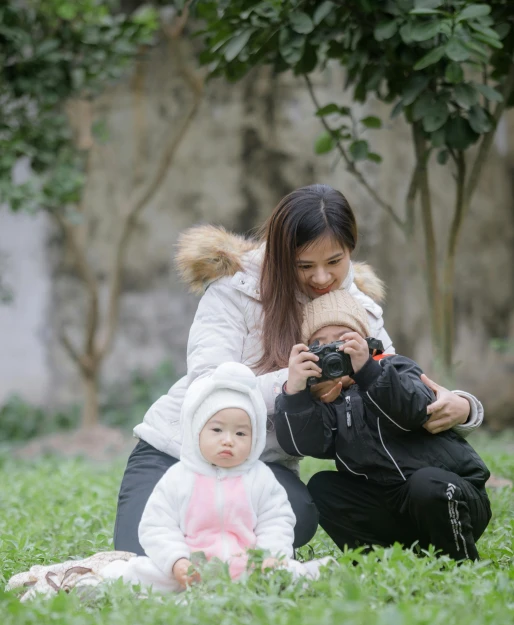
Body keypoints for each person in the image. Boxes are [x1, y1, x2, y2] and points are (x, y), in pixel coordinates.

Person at [114, 184, 484, 555]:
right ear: (279, 255)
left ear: (351, 250)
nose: (322, 278)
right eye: (304, 265)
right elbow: (206, 389)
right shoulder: (234, 289)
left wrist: (464, 406)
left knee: (297, 517)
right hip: (178, 451)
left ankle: (214, 549)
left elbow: (394, 381)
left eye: (335, 262)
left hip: (261, 465)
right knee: (135, 557)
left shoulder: (359, 309)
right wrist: (294, 384)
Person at [7, 363, 331, 601]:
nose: (228, 441)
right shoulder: (180, 477)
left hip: (247, 563)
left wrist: (269, 556)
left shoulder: (260, 479)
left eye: (241, 433)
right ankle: (77, 585)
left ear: (257, 435)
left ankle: (324, 574)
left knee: (291, 573)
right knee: (136, 574)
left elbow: (277, 520)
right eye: (217, 430)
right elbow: (157, 526)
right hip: (190, 564)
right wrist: (177, 560)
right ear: (197, 431)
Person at [274, 290, 491, 561]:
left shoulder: (395, 367)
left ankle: (459, 561)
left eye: (343, 339)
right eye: (319, 344)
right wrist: (295, 394)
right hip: (387, 505)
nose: (334, 350)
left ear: (366, 341)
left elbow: (412, 410)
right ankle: (378, 563)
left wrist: (367, 371)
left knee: (426, 484)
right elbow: (302, 444)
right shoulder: (329, 399)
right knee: (322, 487)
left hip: (451, 497)